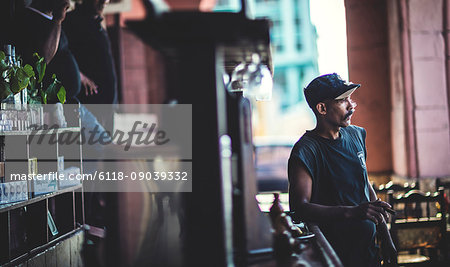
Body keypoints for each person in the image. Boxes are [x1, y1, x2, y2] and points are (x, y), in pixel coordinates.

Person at [288, 73, 397, 267]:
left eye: (350, 98)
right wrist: (353, 212)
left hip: (368, 250)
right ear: (322, 108)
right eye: (342, 100)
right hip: (333, 254)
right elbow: (300, 209)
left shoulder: (356, 135)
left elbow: (365, 186)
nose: (351, 105)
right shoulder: (306, 150)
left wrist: (385, 236)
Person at [63, 0, 118, 131]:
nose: (105, 1)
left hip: (107, 108)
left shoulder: (97, 22)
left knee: (107, 149)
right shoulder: (70, 21)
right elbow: (61, 54)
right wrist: (79, 75)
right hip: (87, 105)